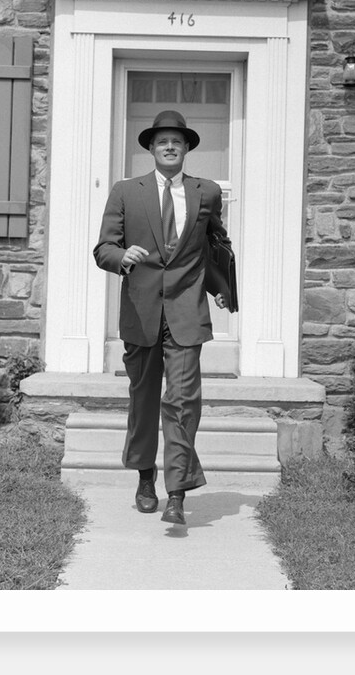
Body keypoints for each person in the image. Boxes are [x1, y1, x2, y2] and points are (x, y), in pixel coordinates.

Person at [93, 109, 230, 526]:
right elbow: (103, 249)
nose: (170, 146)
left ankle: (177, 492)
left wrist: (222, 286)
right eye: (162, 141)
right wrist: (123, 257)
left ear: (187, 148)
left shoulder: (206, 192)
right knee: (145, 400)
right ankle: (145, 475)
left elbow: (215, 243)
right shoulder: (124, 192)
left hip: (187, 311)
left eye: (177, 141)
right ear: (151, 149)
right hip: (141, 310)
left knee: (183, 401)